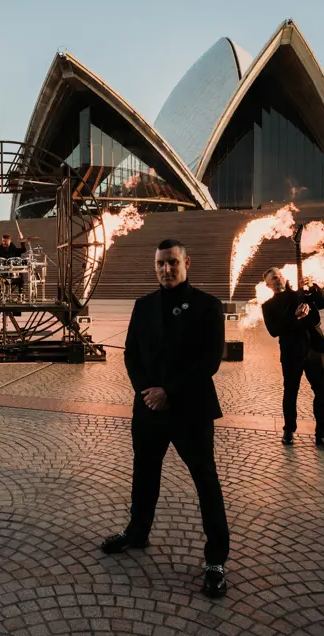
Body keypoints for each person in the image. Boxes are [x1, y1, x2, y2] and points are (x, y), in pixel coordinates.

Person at [102, 239, 231, 599]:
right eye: (160, 263)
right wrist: (147, 391)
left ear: (186, 262)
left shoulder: (208, 306)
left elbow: (209, 361)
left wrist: (168, 393)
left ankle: (216, 559)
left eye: (173, 262)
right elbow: (131, 354)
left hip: (191, 410)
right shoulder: (143, 306)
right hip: (148, 409)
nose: (166, 269)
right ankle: (137, 531)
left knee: (205, 481)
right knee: (144, 473)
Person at [261, 268, 324, 452]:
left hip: (315, 350)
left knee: (322, 394)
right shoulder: (268, 306)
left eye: (279, 275)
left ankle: (323, 436)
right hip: (291, 353)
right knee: (290, 393)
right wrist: (294, 317)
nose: (278, 279)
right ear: (268, 285)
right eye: (274, 278)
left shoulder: (301, 293)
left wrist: (314, 287)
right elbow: (274, 330)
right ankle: (289, 431)